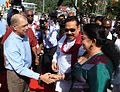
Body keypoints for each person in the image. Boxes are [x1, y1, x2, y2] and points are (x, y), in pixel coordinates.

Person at [51, 24, 118, 92]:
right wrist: (60, 76)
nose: (80, 41)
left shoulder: (101, 64)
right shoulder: (87, 54)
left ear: (93, 41)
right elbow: (78, 75)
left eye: (83, 39)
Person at [3, 14, 55, 92]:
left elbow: (27, 53)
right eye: (23, 26)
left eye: (27, 25)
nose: (27, 28)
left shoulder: (25, 36)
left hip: (26, 72)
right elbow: (19, 68)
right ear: (14, 27)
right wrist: (40, 77)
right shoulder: (10, 44)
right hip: (16, 76)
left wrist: (29, 65)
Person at [51, 16, 85, 92]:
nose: (69, 33)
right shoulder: (63, 38)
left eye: (72, 30)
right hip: (59, 78)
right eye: (67, 30)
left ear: (78, 28)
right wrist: (54, 61)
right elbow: (58, 52)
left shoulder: (83, 44)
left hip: (74, 81)